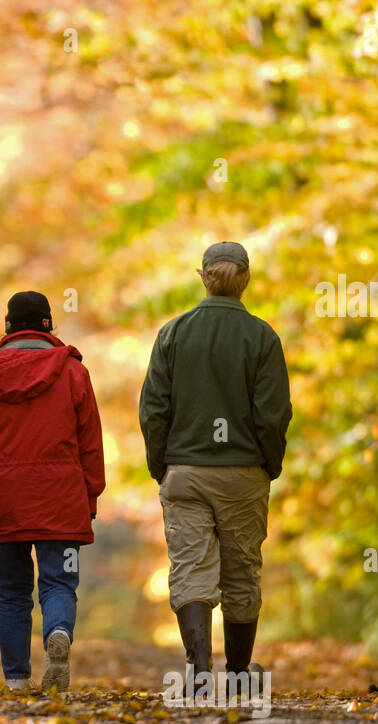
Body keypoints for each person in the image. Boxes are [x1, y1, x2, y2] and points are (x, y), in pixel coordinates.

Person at [139, 242, 291, 692]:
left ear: (203, 277)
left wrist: (161, 465)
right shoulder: (262, 337)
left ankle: (199, 669)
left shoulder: (173, 333)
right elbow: (273, 413)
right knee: (242, 569)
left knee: (190, 566)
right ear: (245, 280)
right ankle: (239, 674)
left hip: (184, 469)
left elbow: (153, 410)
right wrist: (268, 464)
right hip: (243, 471)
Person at [0, 291, 106, 692]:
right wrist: (90, 496)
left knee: (12, 591)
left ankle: (17, 679)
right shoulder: (73, 372)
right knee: (59, 582)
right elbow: (91, 442)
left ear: (7, 327)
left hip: (5, 500)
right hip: (61, 496)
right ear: (48, 325)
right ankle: (59, 633)